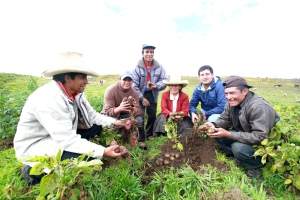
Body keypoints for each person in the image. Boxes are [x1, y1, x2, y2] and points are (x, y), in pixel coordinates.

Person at [14, 52, 130, 185]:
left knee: (96, 127)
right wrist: (102, 151)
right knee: (85, 160)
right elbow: (66, 139)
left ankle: (79, 148)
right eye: (83, 77)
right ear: (68, 78)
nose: (86, 81)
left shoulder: (77, 93)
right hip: (38, 144)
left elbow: (92, 116)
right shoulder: (49, 99)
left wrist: (116, 122)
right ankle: (31, 171)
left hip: (60, 135)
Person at [205, 75, 280, 178]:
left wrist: (229, 134)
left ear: (245, 91)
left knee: (238, 148)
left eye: (232, 93)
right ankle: (238, 157)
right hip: (244, 134)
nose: (228, 97)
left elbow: (260, 137)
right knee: (216, 133)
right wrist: (214, 125)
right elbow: (224, 119)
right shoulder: (231, 102)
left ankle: (257, 165)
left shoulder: (258, 107)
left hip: (262, 145)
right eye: (226, 93)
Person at [101, 70, 147, 150]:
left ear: (132, 81)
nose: (127, 82)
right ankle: (112, 142)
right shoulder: (111, 90)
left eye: (129, 80)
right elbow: (108, 111)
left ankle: (140, 140)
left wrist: (133, 109)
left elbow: (138, 110)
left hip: (126, 114)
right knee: (107, 123)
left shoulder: (134, 93)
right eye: (125, 80)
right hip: (110, 114)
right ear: (120, 79)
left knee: (139, 120)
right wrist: (120, 108)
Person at [132, 44, 168, 140]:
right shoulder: (137, 68)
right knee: (140, 116)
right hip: (140, 94)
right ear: (142, 53)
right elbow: (134, 85)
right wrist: (142, 98)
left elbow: (165, 80)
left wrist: (157, 86)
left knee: (152, 115)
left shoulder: (159, 67)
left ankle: (149, 134)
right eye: (147, 52)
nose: (149, 54)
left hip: (153, 94)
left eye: (151, 52)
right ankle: (140, 137)